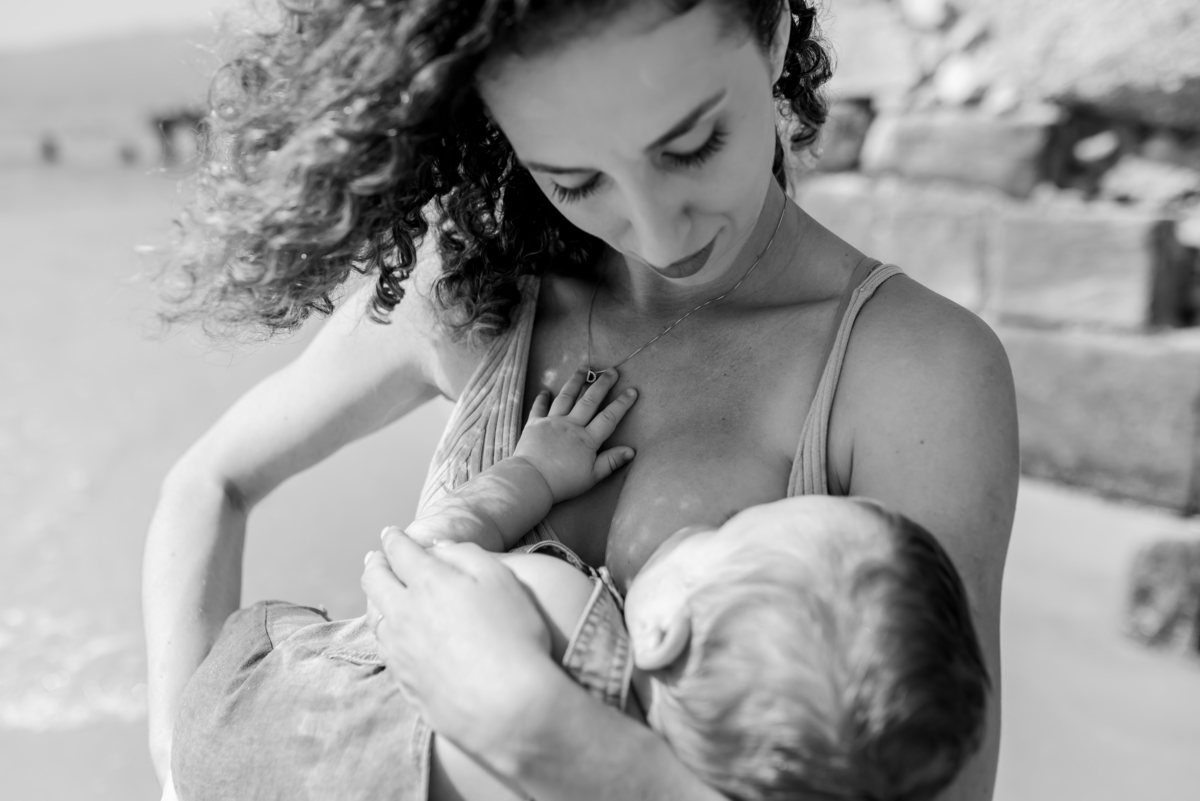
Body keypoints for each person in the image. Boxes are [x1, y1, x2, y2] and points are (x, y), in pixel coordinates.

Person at [143, 1, 1019, 799]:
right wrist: (182, 752)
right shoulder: (476, 286)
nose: (657, 229)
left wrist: (539, 730)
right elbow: (209, 483)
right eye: (573, 179)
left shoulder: (915, 370)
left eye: (693, 146)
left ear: (775, 36)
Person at [169, 369, 989, 801]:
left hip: (243, 729)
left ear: (663, 632)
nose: (703, 526)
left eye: (729, 530)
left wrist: (529, 472)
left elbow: (413, 563)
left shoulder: (560, 621)